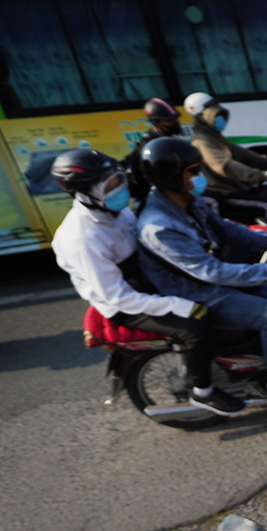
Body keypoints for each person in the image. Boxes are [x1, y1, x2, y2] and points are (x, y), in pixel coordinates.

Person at [49, 149, 243, 417]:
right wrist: (178, 305)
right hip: (125, 303)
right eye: (110, 185)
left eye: (119, 181)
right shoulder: (81, 239)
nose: (120, 189)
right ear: (84, 191)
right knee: (194, 325)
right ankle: (203, 392)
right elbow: (118, 297)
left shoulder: (116, 213)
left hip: (145, 281)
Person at [135, 137, 267, 408]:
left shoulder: (189, 202)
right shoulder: (159, 226)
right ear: (171, 177)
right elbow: (211, 272)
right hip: (195, 293)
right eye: (192, 172)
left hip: (209, 281)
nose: (199, 177)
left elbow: (233, 231)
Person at [183, 92, 267, 220]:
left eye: (221, 115)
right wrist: (261, 175)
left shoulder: (214, 137)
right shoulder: (203, 142)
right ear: (203, 116)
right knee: (266, 206)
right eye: (216, 116)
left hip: (235, 186)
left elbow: (243, 154)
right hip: (225, 191)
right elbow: (225, 166)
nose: (220, 119)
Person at [123, 98, 184, 205]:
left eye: (176, 119)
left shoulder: (167, 140)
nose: (176, 123)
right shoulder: (151, 146)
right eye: (170, 121)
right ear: (156, 122)